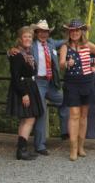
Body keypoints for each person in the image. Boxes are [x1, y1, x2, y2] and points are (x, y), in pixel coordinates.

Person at [59, 18, 95, 161]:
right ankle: (72, 149)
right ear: (69, 32)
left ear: (81, 32)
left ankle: (81, 147)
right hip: (72, 83)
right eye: (72, 31)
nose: (75, 33)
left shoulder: (87, 45)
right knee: (74, 115)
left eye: (77, 30)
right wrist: (67, 63)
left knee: (84, 115)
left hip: (87, 82)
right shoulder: (65, 47)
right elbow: (60, 65)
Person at [29, 20, 69, 155]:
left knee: (65, 101)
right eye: (40, 31)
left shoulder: (52, 43)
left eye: (45, 31)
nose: (43, 34)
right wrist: (11, 51)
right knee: (41, 112)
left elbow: (66, 42)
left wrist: (79, 34)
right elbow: (19, 48)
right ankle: (40, 145)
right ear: (36, 33)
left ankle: (64, 132)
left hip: (52, 83)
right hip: (38, 82)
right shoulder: (31, 45)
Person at [6, 26, 44, 160]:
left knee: (25, 119)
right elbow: (15, 77)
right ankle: (21, 150)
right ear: (20, 39)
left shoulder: (27, 53)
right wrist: (24, 94)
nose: (28, 39)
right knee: (29, 119)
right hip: (23, 88)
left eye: (30, 36)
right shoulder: (17, 55)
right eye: (25, 36)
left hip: (29, 86)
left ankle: (21, 149)